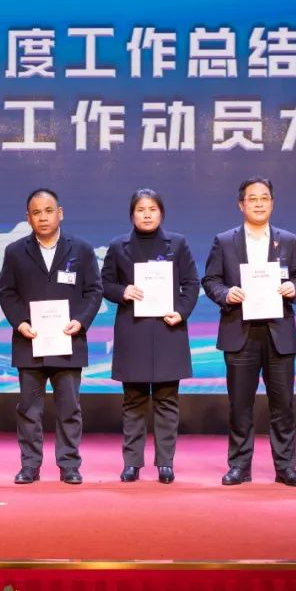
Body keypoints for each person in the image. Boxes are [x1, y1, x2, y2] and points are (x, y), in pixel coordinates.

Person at [202, 177, 296, 487]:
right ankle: (239, 466)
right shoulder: (224, 241)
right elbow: (210, 280)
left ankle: (286, 467)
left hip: (278, 332)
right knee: (240, 405)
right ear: (241, 205)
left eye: (264, 198)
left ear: (272, 203)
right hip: (240, 331)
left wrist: (294, 287)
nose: (259, 203)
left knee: (283, 405)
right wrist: (226, 294)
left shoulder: (288, 240)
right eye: (252, 198)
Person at [0, 188, 103, 485]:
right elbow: (7, 293)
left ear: (60, 213)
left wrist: (80, 321)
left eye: (48, 211)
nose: (43, 217)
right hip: (29, 341)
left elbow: (94, 291)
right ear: (28, 218)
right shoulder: (15, 251)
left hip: (68, 340)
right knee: (29, 410)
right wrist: (20, 323)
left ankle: (69, 464)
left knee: (69, 408)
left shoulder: (81, 249)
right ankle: (30, 465)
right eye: (36, 212)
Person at [101, 188, 199, 484]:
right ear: (132, 214)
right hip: (134, 330)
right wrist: (123, 291)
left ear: (161, 213)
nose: (146, 214)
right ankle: (132, 463)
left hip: (169, 328)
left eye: (152, 209)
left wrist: (181, 312)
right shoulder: (118, 246)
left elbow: (191, 283)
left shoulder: (177, 244)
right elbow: (104, 284)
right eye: (141, 210)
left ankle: (165, 463)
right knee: (134, 400)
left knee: (167, 400)